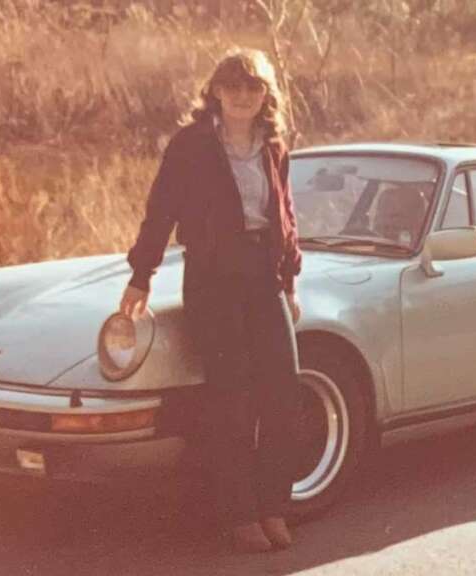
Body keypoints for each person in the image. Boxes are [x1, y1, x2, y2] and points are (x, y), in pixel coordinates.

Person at [118, 48, 303, 553]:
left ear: (266, 95)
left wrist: (290, 282)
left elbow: (284, 214)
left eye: (254, 87)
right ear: (216, 92)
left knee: (283, 394)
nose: (243, 96)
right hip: (214, 282)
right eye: (233, 86)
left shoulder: (274, 145)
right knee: (232, 401)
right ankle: (239, 513)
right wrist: (141, 275)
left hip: (264, 281)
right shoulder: (191, 145)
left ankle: (272, 506)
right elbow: (161, 210)